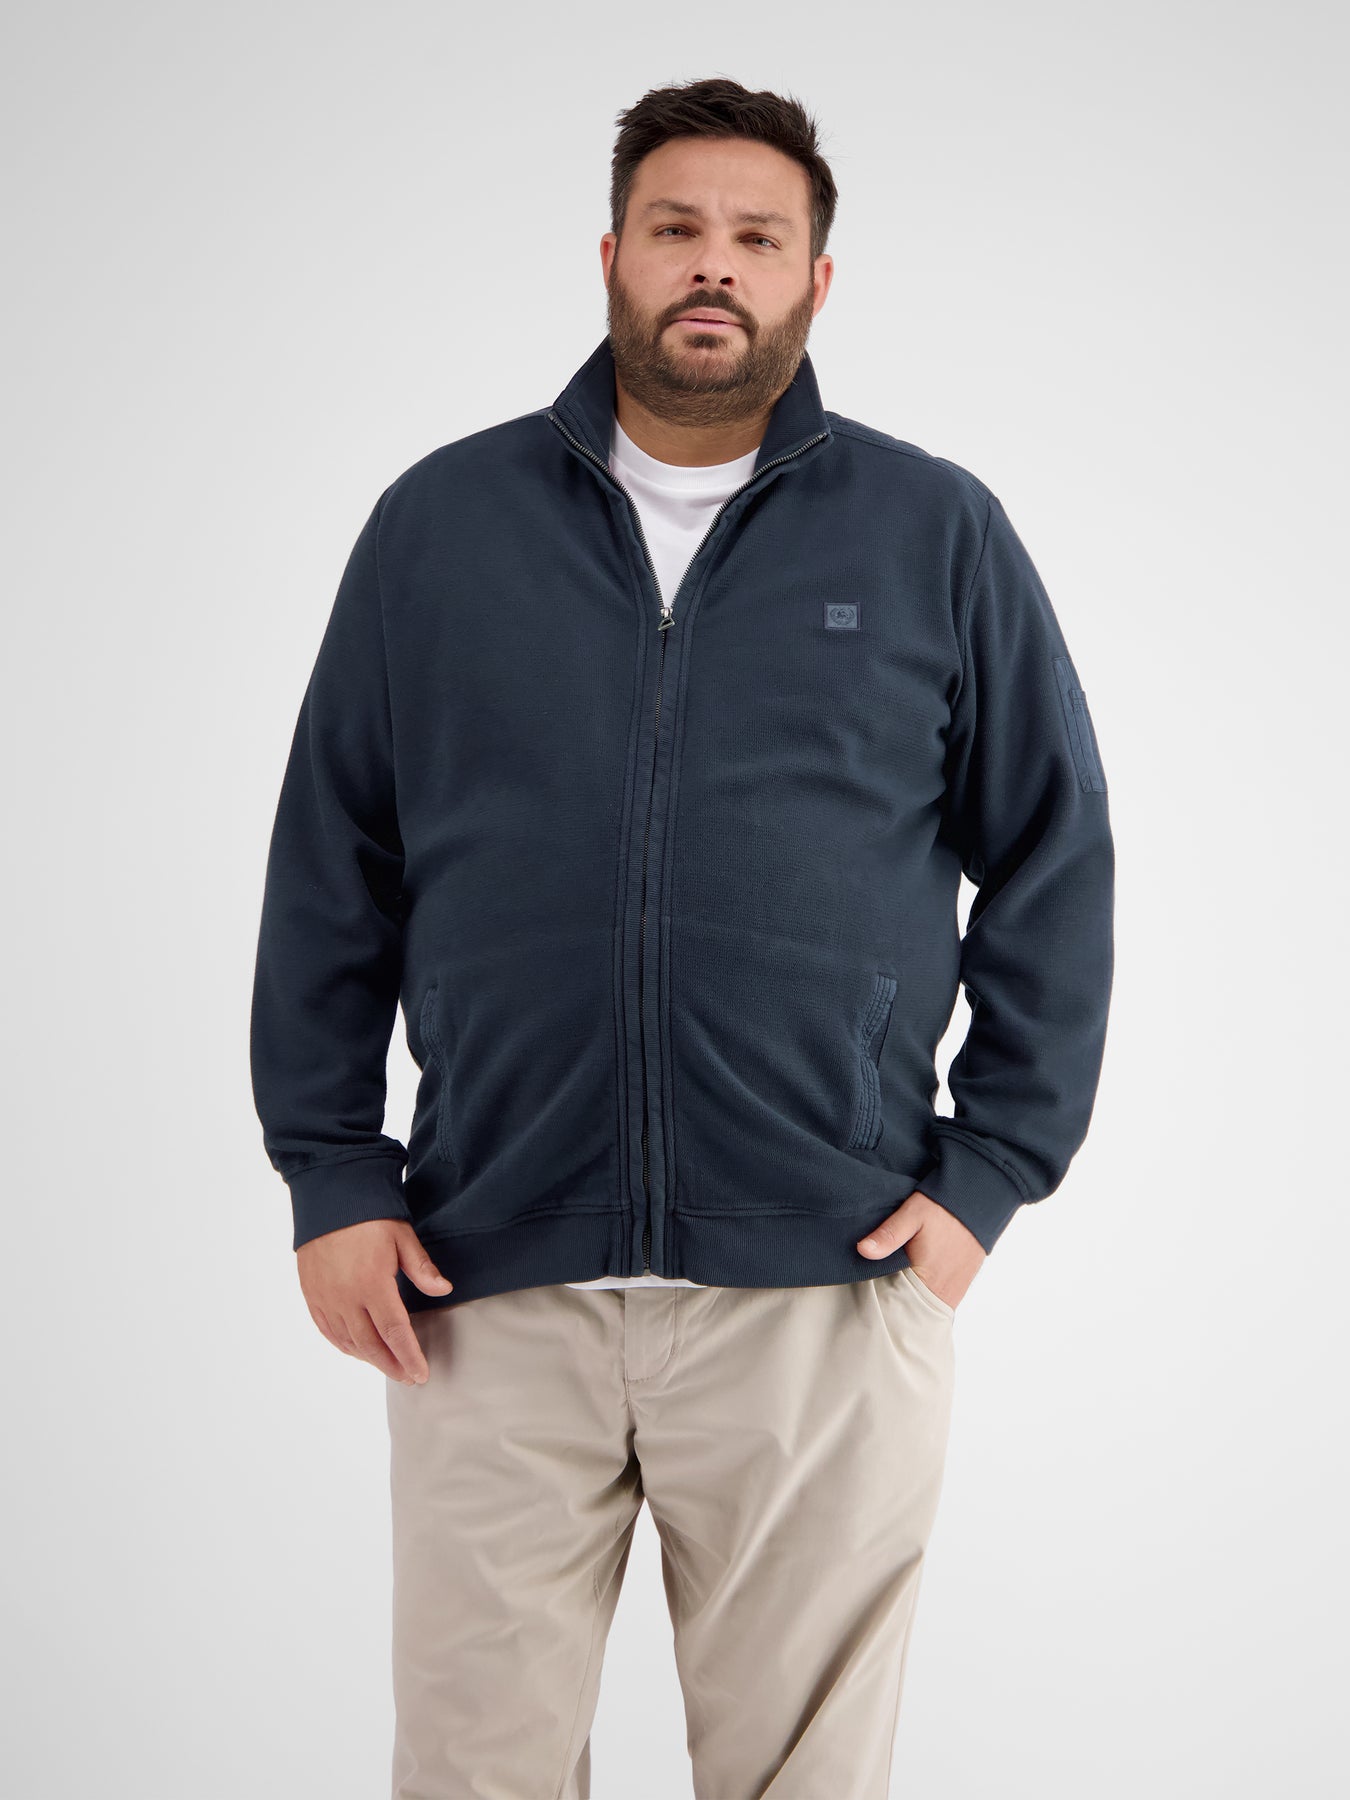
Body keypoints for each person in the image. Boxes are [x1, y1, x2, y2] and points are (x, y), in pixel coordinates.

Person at [249, 74, 1115, 1800]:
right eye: (676, 229)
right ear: (612, 258)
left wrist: (989, 1175)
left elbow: (1053, 853)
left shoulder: (932, 529)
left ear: (813, 281)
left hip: (829, 1278)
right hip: (486, 1276)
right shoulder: (442, 526)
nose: (712, 265)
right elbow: (334, 858)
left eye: (755, 238)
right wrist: (332, 1174)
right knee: (473, 1771)